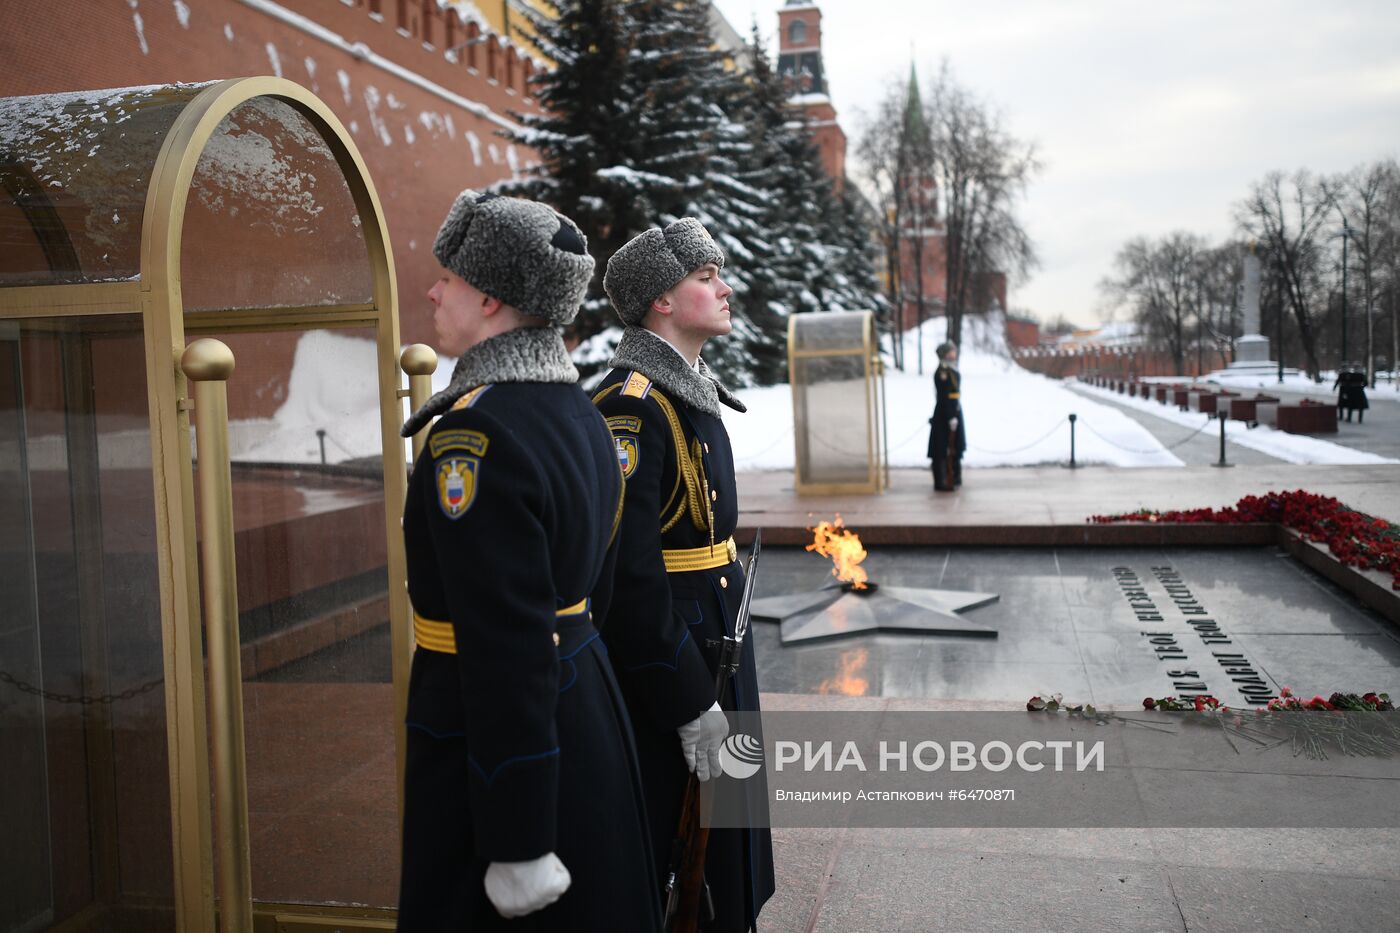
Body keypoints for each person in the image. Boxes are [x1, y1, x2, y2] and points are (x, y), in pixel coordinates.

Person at [397, 190, 660, 931]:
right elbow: (593, 594)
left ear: (489, 299)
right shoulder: (577, 412)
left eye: (448, 276)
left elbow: (506, 645)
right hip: (580, 709)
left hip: (495, 747)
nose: (434, 289)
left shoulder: (472, 436)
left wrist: (515, 840)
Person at [592, 219, 775, 932]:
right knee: (676, 850)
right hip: (676, 661)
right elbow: (628, 578)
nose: (724, 287)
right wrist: (687, 699)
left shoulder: (687, 394)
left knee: (727, 852)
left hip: (715, 640)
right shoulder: (633, 407)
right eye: (706, 276)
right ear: (659, 301)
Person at [927, 340, 967, 491]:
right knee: (941, 447)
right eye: (951, 351)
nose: (954, 353)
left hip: (954, 409)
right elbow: (944, 396)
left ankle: (955, 476)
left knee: (955, 445)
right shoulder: (943, 371)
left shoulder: (951, 369)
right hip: (945, 413)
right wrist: (950, 416)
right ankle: (942, 480)